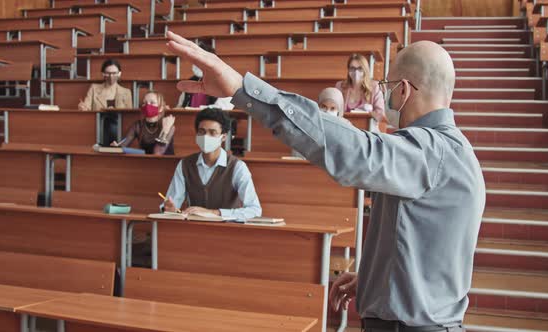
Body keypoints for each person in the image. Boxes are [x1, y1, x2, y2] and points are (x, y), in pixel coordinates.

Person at [166, 31, 485, 331]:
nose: (384, 96)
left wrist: (241, 88)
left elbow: (354, 151)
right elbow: (429, 250)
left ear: (402, 90)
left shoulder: (431, 151)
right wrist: (375, 279)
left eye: (385, 87)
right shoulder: (453, 152)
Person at [162, 108, 262, 220]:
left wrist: (215, 213)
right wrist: (169, 209)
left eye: (212, 133)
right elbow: (171, 203)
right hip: (194, 230)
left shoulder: (237, 167)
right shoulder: (185, 165)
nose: (206, 137)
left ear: (223, 137)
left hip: (228, 231)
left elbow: (255, 210)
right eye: (201, 132)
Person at [79, 58, 133, 146]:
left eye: (114, 73)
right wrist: (83, 108)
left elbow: (128, 117)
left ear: (119, 73)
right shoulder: (94, 88)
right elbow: (86, 108)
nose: (111, 76)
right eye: (108, 73)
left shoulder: (126, 92)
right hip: (97, 127)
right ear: (103, 74)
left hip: (118, 129)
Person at [112, 90, 175, 155]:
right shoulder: (138, 125)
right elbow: (123, 145)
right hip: (145, 162)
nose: (147, 105)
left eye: (152, 102)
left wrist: (165, 130)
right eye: (145, 103)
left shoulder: (168, 124)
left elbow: (157, 153)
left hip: (165, 163)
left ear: (161, 108)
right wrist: (116, 147)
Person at [335, 53, 385, 123]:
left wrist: (367, 113)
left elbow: (380, 113)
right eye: (352, 68)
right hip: (345, 128)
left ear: (365, 70)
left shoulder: (375, 86)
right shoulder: (340, 86)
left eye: (360, 68)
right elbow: (334, 111)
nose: (356, 72)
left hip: (366, 130)